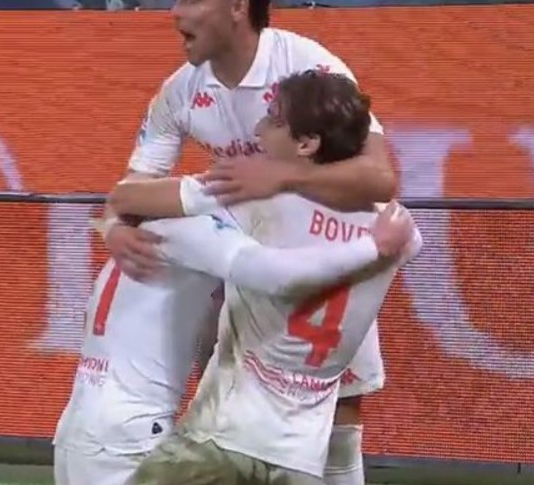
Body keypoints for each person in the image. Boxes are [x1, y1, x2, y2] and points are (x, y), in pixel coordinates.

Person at [104, 1, 396, 483]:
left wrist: (281, 178)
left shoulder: (307, 66)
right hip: (252, 260)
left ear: (238, 7)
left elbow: (380, 177)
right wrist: (114, 226)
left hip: (329, 259)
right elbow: (134, 186)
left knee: (340, 415)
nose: (175, 12)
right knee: (228, 398)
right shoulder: (181, 91)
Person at [53, 187, 412, 484]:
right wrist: (372, 245)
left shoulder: (138, 233)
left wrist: (112, 224)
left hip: (79, 419)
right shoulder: (201, 231)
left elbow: (123, 196)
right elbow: (276, 274)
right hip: (131, 431)